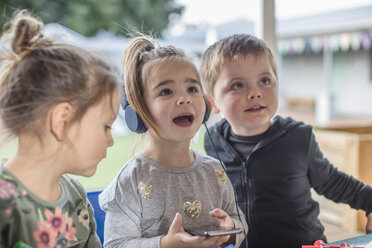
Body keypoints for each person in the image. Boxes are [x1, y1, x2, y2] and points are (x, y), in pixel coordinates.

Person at [199, 33, 372, 248]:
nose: (255, 92)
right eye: (237, 85)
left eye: (264, 81)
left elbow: (334, 182)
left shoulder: (298, 138)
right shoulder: (213, 142)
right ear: (212, 103)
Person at [99, 34, 248, 248]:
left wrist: (229, 230)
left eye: (192, 89)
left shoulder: (215, 171)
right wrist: (165, 244)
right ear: (139, 112)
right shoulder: (131, 180)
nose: (184, 98)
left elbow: (239, 223)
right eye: (166, 91)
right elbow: (115, 245)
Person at [0, 9, 121, 248]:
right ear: (61, 121)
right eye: (106, 126)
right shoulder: (5, 204)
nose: (111, 140)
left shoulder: (76, 196)